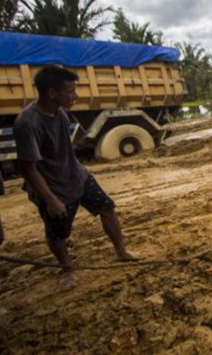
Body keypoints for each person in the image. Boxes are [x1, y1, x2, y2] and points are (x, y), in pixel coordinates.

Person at [14, 66, 136, 288]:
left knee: (107, 207)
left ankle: (121, 251)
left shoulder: (59, 112)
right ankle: (66, 269)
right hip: (54, 188)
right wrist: (50, 200)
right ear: (52, 93)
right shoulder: (27, 124)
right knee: (58, 234)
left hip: (78, 176)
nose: (75, 95)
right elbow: (28, 169)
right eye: (70, 91)